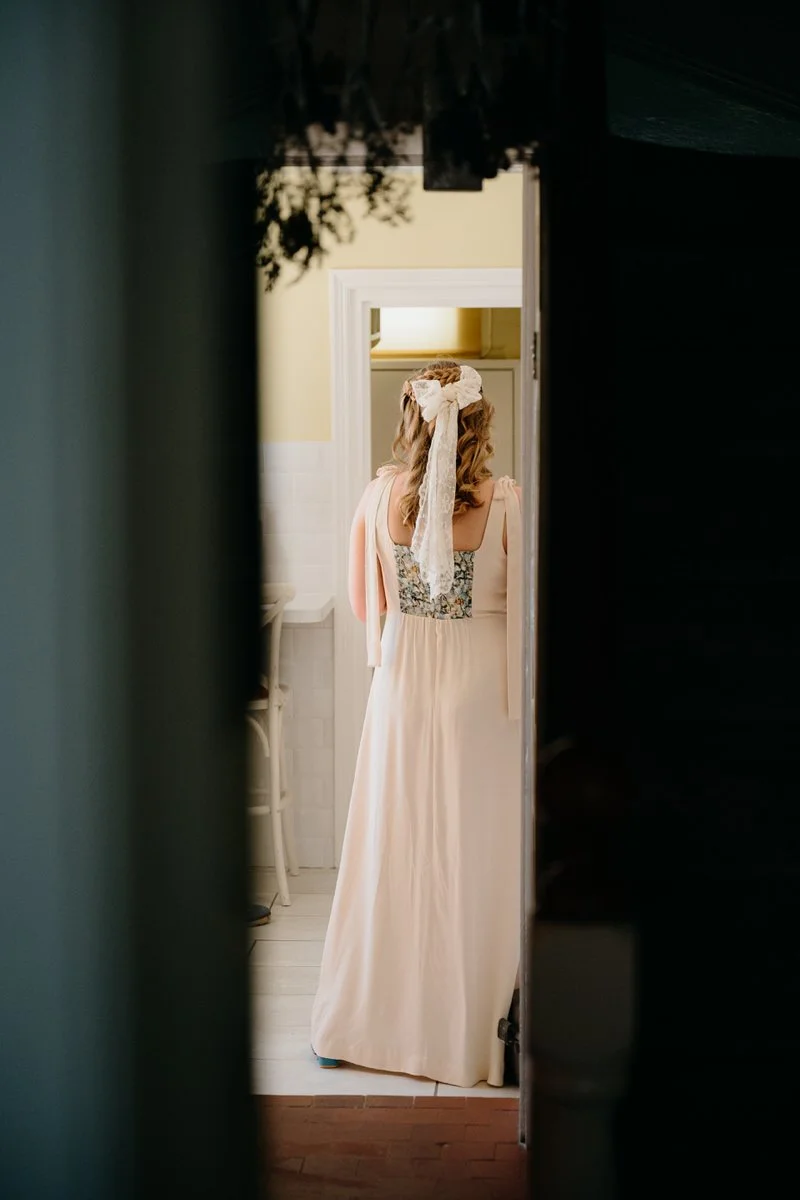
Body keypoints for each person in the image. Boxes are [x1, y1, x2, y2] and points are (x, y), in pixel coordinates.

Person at [310, 360, 522, 1087]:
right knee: (477, 852)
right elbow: (528, 609)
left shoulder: (376, 499)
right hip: (481, 693)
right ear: (480, 422)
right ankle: (478, 1034)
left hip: (401, 685)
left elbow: (365, 604)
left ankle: (368, 1022)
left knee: (393, 846)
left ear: (409, 418)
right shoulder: (507, 504)